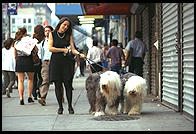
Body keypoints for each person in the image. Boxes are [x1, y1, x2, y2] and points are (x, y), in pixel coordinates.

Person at [48, 17, 86, 114]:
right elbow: (50, 48)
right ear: (60, 24)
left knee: (68, 84)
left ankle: (70, 106)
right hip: (56, 62)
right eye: (64, 24)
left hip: (67, 62)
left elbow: (72, 49)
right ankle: (60, 106)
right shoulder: (52, 34)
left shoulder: (68, 35)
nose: (65, 27)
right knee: (58, 85)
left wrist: (79, 54)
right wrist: (63, 50)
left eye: (67, 26)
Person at [14, 27, 37, 105]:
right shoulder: (30, 40)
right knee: (30, 79)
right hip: (28, 60)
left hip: (20, 60)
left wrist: (17, 60)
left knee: (20, 80)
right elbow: (36, 50)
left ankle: (21, 98)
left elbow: (15, 55)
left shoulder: (16, 42)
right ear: (26, 33)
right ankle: (29, 97)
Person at [37, 25, 54, 106]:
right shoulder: (42, 43)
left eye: (49, 31)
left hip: (55, 62)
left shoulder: (55, 41)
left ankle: (60, 96)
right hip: (46, 63)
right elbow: (40, 54)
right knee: (45, 80)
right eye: (45, 31)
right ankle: (42, 97)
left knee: (58, 81)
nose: (47, 32)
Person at [32, 25, 45, 100]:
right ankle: (39, 90)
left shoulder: (33, 38)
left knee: (34, 78)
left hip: (33, 61)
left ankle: (34, 93)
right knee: (41, 78)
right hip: (40, 61)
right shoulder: (43, 39)